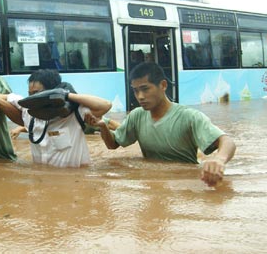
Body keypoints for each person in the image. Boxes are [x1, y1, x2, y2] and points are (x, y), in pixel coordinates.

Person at [85, 62, 236, 186]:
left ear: (163, 85)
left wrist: (219, 159)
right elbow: (113, 144)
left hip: (184, 185)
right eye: (136, 91)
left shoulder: (189, 116)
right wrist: (103, 127)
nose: (140, 97)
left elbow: (226, 141)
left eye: (145, 89)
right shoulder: (137, 116)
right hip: (152, 183)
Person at [0, 69, 112, 168]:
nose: (32, 98)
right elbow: (4, 97)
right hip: (41, 183)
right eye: (30, 94)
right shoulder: (28, 110)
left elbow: (105, 105)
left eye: (37, 94)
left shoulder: (74, 113)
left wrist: (65, 95)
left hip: (74, 185)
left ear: (52, 92)